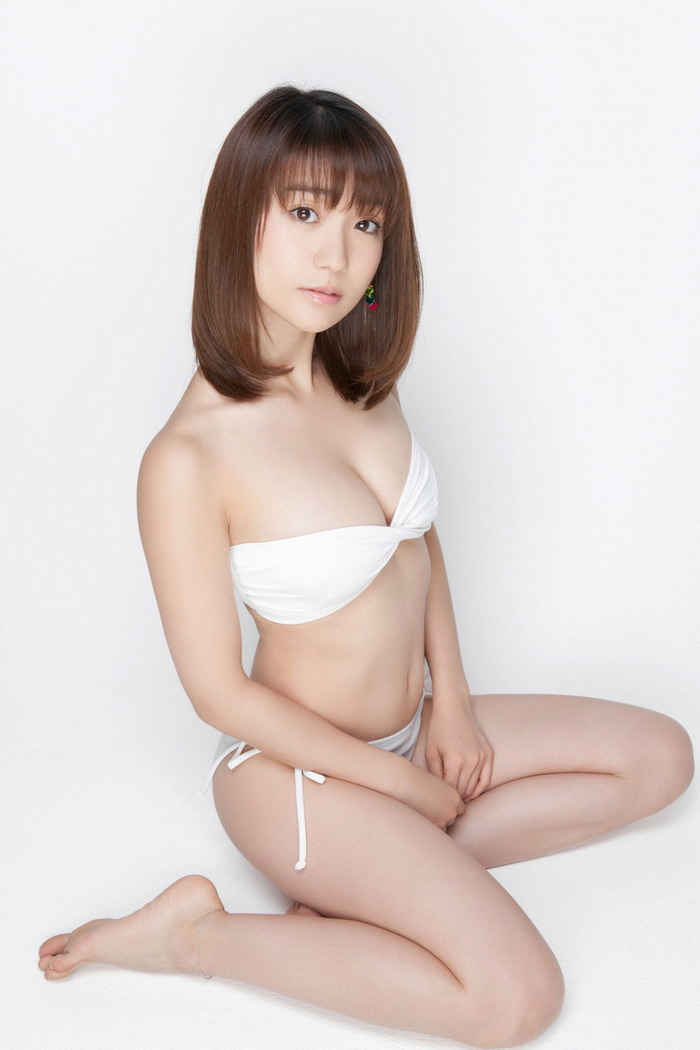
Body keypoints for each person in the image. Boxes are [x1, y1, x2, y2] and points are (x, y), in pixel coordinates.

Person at [37, 86, 694, 1048]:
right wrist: (394, 791)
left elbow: (414, 541)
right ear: (239, 219)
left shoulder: (363, 390)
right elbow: (219, 693)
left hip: (411, 730)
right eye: (306, 212)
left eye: (366, 223)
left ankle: (373, 886)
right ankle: (197, 935)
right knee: (516, 999)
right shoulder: (189, 457)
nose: (337, 256)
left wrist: (453, 702)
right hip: (294, 778)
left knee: (661, 758)